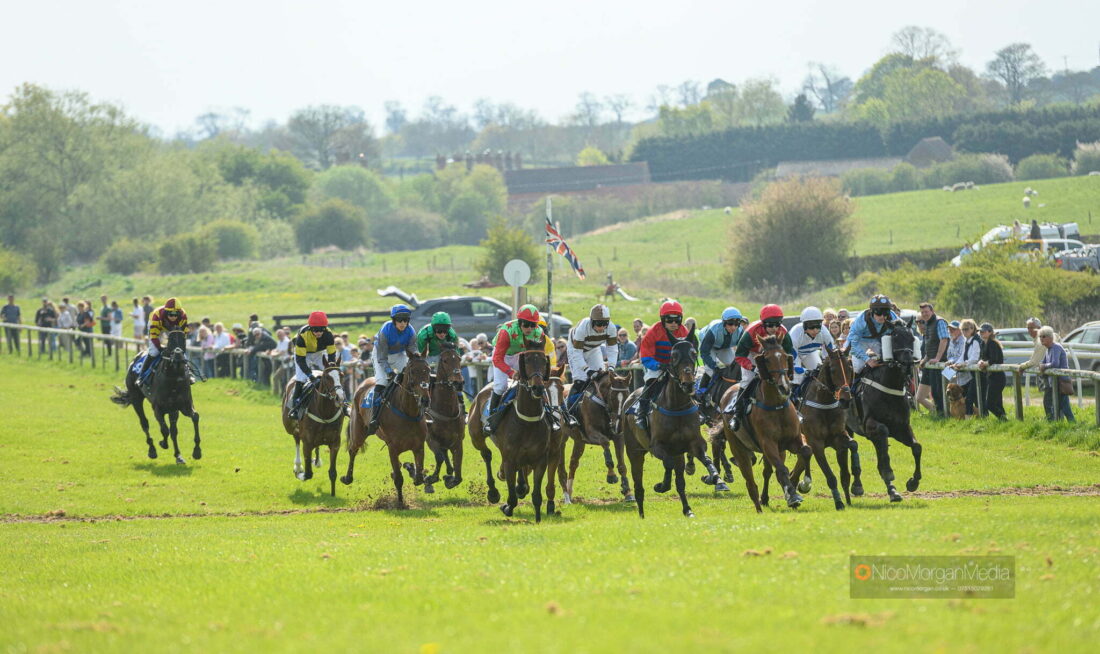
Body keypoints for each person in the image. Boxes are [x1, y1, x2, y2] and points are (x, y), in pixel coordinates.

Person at [724, 304, 795, 432]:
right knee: (746, 381)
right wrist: (752, 367)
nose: (774, 328)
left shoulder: (783, 332)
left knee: (785, 380)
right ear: (763, 324)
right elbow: (739, 356)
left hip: (773, 356)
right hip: (752, 355)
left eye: (777, 324)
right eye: (770, 325)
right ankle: (737, 415)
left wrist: (787, 369)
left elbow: (789, 353)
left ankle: (795, 410)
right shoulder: (750, 333)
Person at [486, 304, 552, 434]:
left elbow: (537, 356)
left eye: (533, 325)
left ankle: (551, 415)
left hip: (521, 356)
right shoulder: (506, 332)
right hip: (503, 356)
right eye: (526, 324)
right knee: (501, 386)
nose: (529, 328)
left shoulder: (539, 333)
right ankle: (491, 419)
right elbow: (497, 359)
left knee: (537, 381)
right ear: (520, 322)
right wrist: (511, 373)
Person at [635, 300, 692, 431]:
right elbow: (646, 357)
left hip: (676, 367)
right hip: (657, 365)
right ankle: (641, 414)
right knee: (651, 382)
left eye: (677, 320)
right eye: (669, 320)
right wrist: (659, 365)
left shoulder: (683, 332)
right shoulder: (653, 332)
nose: (673, 324)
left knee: (689, 382)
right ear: (662, 319)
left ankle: (698, 410)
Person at [366, 304, 418, 435]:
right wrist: (389, 372)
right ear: (394, 320)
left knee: (411, 378)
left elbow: (413, 351)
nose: (403, 323)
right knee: (382, 381)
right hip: (381, 355)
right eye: (399, 320)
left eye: (405, 320)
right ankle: (374, 418)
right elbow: (382, 358)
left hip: (400, 354)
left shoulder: (411, 331)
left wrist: (417, 357)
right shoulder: (385, 331)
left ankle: (422, 411)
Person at [564, 304, 619, 413]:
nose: (602, 327)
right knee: (581, 380)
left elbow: (612, 349)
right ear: (592, 321)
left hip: (593, 349)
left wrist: (611, 368)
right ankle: (569, 411)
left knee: (602, 378)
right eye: (599, 324)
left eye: (605, 324)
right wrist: (587, 370)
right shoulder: (583, 327)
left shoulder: (611, 328)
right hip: (575, 349)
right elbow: (577, 353)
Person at [288, 311, 336, 419]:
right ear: (310, 328)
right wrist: (310, 375)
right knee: (301, 379)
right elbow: (300, 360)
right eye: (316, 330)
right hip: (303, 354)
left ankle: (343, 402)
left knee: (333, 374)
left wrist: (331, 367)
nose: (319, 332)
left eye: (321, 329)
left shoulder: (328, 334)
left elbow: (332, 354)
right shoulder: (302, 335)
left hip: (319, 353)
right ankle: (294, 407)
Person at [697, 307, 746, 408]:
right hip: (708, 347)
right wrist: (714, 366)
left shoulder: (740, 331)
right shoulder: (714, 329)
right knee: (711, 371)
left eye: (737, 324)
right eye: (730, 324)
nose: (734, 327)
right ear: (724, 323)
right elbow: (704, 352)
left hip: (724, 347)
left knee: (734, 368)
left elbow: (742, 351)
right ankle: (700, 395)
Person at [139, 298, 190, 388]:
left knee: (181, 352)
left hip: (173, 328)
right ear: (166, 312)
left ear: (180, 313)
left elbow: (183, 335)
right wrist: (160, 348)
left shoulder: (183, 316)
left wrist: (181, 348)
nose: (173, 317)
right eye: (170, 314)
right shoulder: (156, 316)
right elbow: (154, 336)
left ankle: (189, 374)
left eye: (176, 314)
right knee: (154, 352)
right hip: (157, 326)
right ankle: (141, 375)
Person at [789, 306, 836, 403]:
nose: (815, 330)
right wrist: (806, 371)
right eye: (811, 327)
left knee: (819, 374)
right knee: (797, 376)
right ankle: (793, 399)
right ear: (804, 325)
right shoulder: (795, 334)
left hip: (810, 353)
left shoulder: (824, 331)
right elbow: (794, 363)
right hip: (795, 354)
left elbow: (831, 352)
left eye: (817, 326)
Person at [846, 295, 899, 376]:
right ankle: (853, 386)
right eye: (878, 313)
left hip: (879, 341)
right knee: (857, 367)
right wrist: (868, 360)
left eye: (886, 313)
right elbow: (853, 344)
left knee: (890, 360)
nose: (882, 316)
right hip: (860, 341)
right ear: (872, 311)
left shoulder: (893, 317)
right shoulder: (861, 320)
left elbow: (904, 331)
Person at [916, 302, 949, 416]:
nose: (924, 314)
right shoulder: (928, 324)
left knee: (940, 392)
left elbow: (944, 340)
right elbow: (930, 346)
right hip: (931, 363)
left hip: (943, 364)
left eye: (926, 311)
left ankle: (944, 415)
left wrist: (937, 358)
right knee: (934, 393)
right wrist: (925, 359)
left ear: (932, 311)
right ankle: (938, 414)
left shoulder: (939, 322)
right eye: (922, 312)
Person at [1038, 326, 1074, 422]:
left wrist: (1044, 366)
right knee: (1052, 403)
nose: (1041, 338)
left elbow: (1055, 363)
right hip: (1053, 381)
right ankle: (1055, 422)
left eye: (1044, 336)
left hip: (1061, 381)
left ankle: (1072, 424)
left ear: (1050, 337)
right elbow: (1043, 362)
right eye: (1040, 336)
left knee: (1064, 405)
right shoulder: (1048, 349)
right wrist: (1042, 365)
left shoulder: (1056, 347)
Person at [949, 319, 982, 415]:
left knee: (973, 399)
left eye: (966, 329)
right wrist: (956, 364)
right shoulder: (966, 341)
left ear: (972, 329)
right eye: (962, 329)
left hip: (976, 374)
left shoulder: (976, 340)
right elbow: (962, 356)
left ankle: (978, 417)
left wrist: (964, 364)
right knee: (968, 398)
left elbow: (975, 358)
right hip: (968, 374)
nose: (964, 332)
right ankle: (966, 418)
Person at [977, 323, 1007, 420]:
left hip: (998, 377)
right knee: (997, 403)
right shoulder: (983, 343)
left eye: (983, 331)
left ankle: (1003, 419)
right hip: (990, 377)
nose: (981, 333)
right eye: (980, 331)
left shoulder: (993, 343)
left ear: (990, 332)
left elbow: (995, 359)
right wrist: (981, 361)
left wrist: (985, 364)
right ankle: (1004, 421)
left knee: (990, 404)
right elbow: (982, 357)